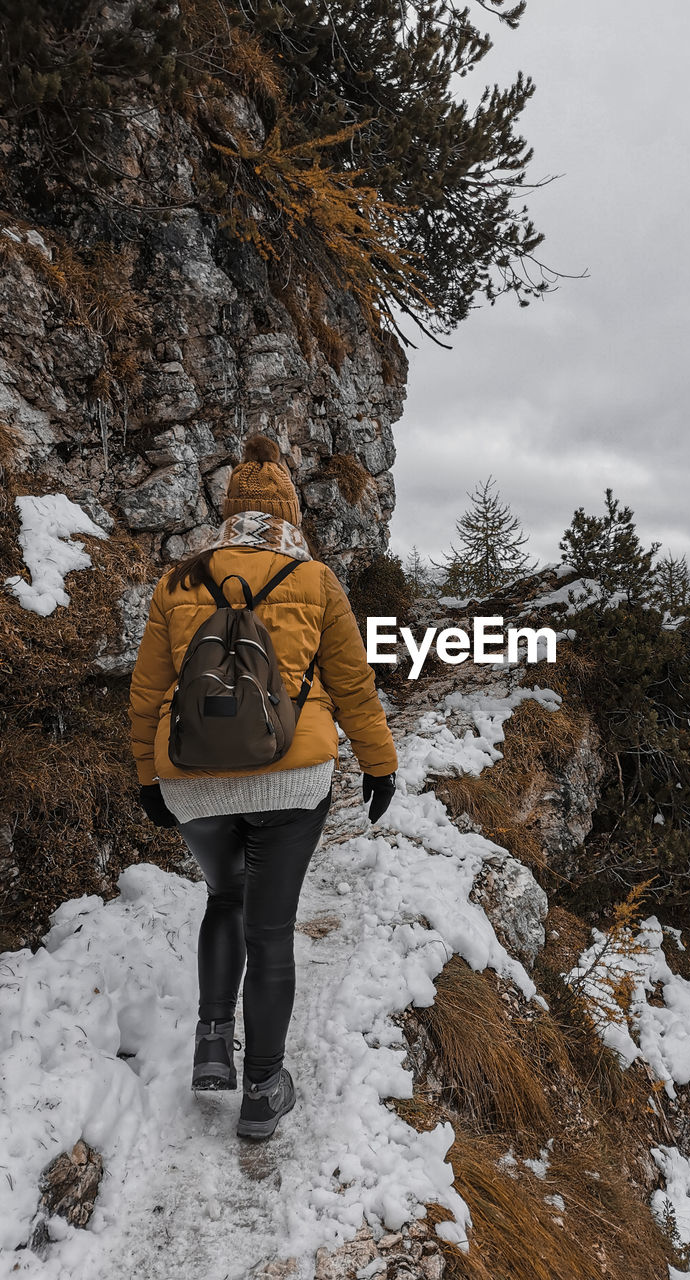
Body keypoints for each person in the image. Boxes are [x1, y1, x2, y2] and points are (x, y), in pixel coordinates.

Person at [128, 434, 398, 1141]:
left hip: (194, 780)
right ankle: (262, 1091)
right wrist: (379, 764)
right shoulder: (314, 583)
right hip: (292, 779)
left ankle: (213, 1041)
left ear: (228, 513)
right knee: (271, 932)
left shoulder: (179, 581)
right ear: (288, 514)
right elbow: (354, 689)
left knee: (225, 895)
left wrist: (145, 775)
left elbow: (147, 691)